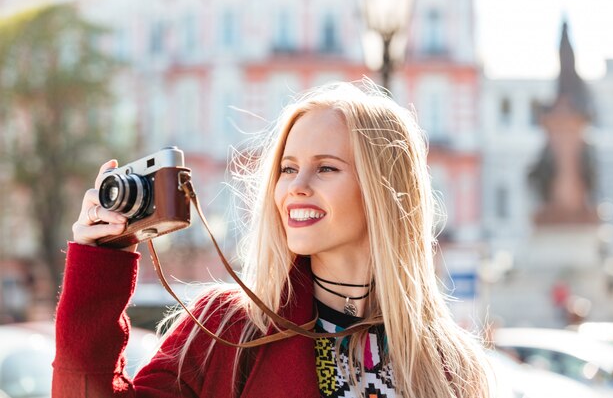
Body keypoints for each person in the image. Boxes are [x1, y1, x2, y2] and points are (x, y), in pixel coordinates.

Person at [52, 80, 495, 398]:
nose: (295, 186)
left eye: (325, 167)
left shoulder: (449, 365)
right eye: (287, 168)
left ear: (382, 190)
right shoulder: (228, 329)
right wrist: (100, 263)